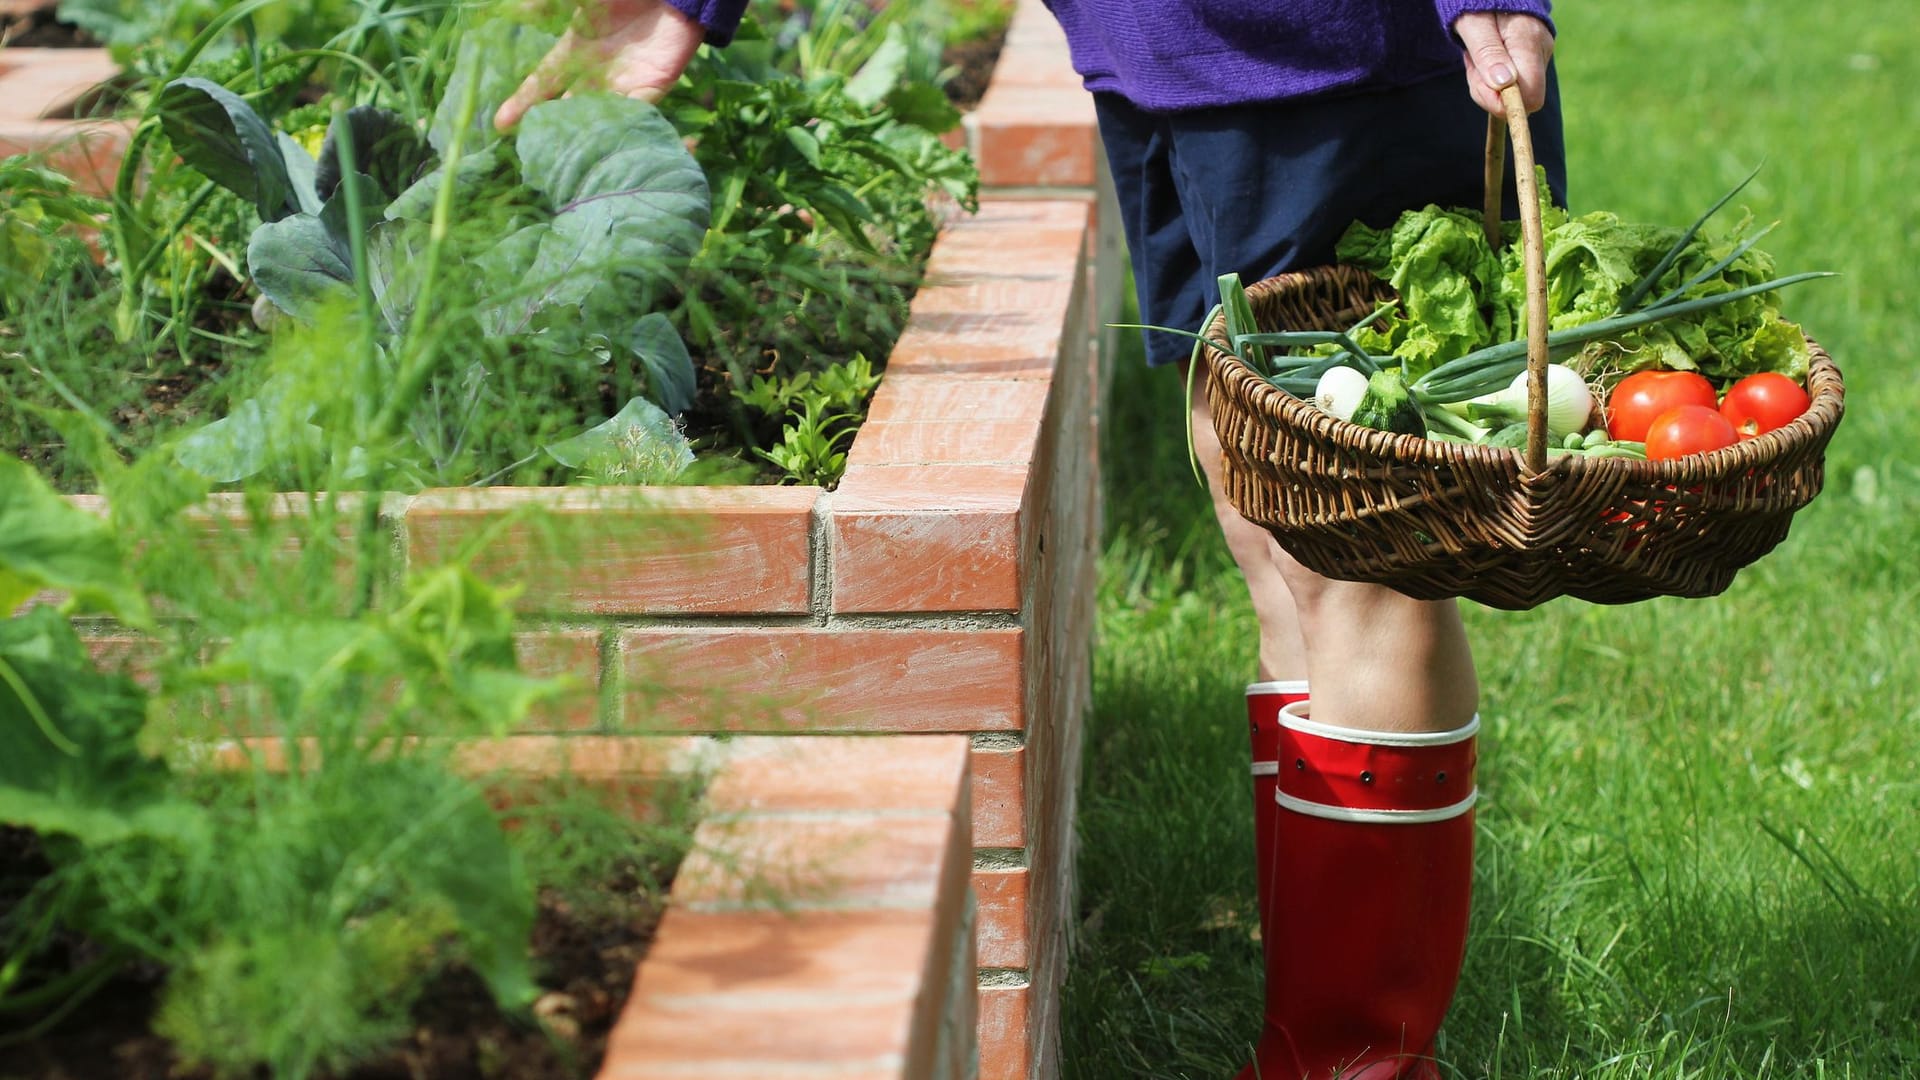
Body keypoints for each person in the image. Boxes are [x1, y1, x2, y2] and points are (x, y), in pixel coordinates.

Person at [503, 3, 1567, 1077]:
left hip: (1331, 63)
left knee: (1357, 560)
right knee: (1270, 524)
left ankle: (1352, 1064)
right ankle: (1309, 1034)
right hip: (1160, 53)